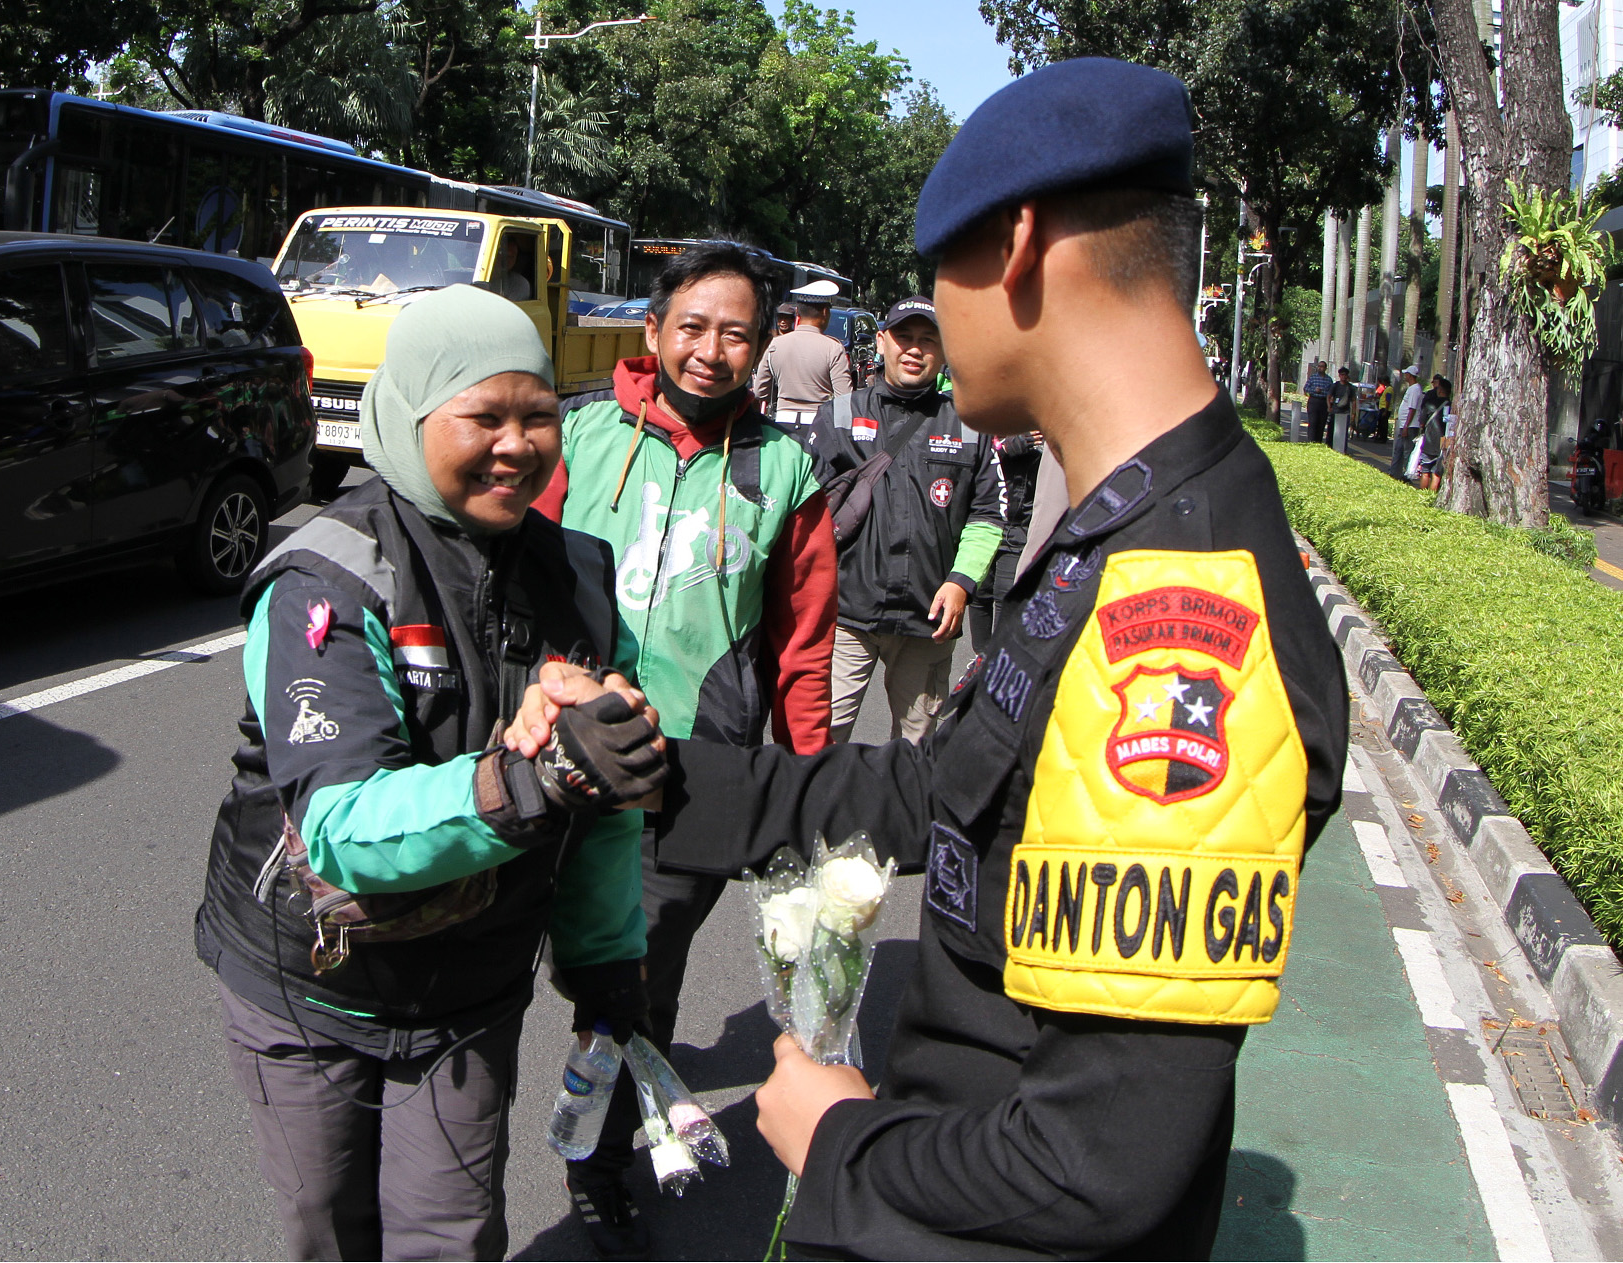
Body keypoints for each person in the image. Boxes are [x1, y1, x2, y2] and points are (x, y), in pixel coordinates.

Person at [511, 57, 1347, 1259]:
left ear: (1011, 251)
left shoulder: (1177, 604)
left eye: (932, 277)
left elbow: (1095, 1163)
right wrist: (652, 776)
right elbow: (930, 792)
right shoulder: (1116, 533)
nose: (928, 322)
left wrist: (837, 1138)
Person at [194, 286, 665, 1261]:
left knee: (448, 1238)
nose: (515, 444)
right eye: (481, 416)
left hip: (471, 986)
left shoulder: (576, 573)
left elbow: (603, 802)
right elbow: (338, 821)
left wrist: (606, 965)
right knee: (331, 1231)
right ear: (408, 416)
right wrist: (522, 782)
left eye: (537, 415)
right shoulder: (329, 572)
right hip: (310, 979)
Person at [533, 238, 836, 1255]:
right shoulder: (573, 438)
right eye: (692, 326)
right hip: (551, 755)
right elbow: (507, 583)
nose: (710, 350)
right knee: (505, 960)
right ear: (652, 330)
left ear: (760, 347)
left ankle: (595, 1160)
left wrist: (803, 788)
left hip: (688, 778)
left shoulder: (784, 469)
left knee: (634, 983)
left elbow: (800, 645)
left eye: (735, 332)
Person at [809, 295, 1003, 744]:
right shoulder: (838, 415)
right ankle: (819, 816)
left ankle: (899, 817)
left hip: (928, 622)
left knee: (917, 747)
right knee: (821, 739)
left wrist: (961, 582)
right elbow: (802, 513)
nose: (914, 350)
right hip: (846, 614)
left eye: (927, 340)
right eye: (903, 338)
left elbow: (989, 515)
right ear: (881, 342)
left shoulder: (970, 423)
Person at [969, 428, 1044, 647]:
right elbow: (977, 456)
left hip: (1020, 524)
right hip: (987, 518)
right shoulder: (990, 416)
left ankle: (998, 658)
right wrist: (1006, 447)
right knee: (979, 594)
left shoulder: (1040, 418)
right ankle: (980, 659)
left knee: (1006, 593)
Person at [753, 292, 854, 433]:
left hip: (782, 423)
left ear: (797, 313)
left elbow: (760, 391)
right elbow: (844, 398)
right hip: (819, 425)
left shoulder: (774, 345)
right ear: (825, 312)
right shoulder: (833, 348)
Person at [1417, 374, 1454, 490]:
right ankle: (1432, 496)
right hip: (1444, 443)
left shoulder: (1429, 405)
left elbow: (1422, 423)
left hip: (1428, 442)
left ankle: (1422, 495)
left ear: (1440, 390)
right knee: (1437, 473)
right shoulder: (1452, 406)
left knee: (1425, 471)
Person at [1391, 368, 1426, 482]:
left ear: (1410, 375)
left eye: (1406, 374)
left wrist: (1406, 425)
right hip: (1404, 425)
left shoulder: (1415, 389)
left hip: (1410, 426)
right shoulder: (1411, 388)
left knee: (1407, 451)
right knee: (1399, 449)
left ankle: (1407, 474)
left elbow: (1412, 409)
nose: (1405, 376)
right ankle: (1395, 472)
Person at [1326, 366, 1355, 447]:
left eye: (1345, 375)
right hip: (1335, 411)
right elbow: (1328, 396)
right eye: (1342, 375)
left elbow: (1353, 401)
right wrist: (1329, 407)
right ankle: (1329, 445)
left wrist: (1353, 413)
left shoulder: (1350, 387)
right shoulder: (1335, 385)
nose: (1343, 376)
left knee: (1344, 432)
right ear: (1339, 375)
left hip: (1345, 412)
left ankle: (1342, 448)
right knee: (1331, 430)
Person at [1302, 361, 1331, 441]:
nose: (1320, 368)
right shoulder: (1313, 377)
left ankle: (1318, 441)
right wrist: (1314, 390)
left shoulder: (1329, 380)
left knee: (1321, 424)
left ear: (1325, 368)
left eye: (1322, 366)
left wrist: (1323, 392)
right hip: (1313, 401)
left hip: (1324, 402)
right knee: (1313, 422)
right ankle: (1311, 440)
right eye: (1319, 366)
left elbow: (1331, 392)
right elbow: (1306, 388)